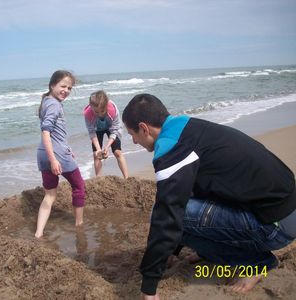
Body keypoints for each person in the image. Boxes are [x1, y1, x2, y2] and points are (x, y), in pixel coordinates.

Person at [122, 93, 296, 299]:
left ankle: (258, 263)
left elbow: (166, 217)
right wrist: (172, 250)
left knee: (161, 215)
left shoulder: (171, 147)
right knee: (179, 220)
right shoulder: (187, 126)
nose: (133, 141)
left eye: (132, 134)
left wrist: (149, 285)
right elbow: (193, 190)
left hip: (275, 225)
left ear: (144, 128)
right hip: (285, 208)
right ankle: (208, 252)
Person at [35, 70, 86, 238]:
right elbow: (46, 131)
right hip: (56, 156)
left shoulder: (46, 101)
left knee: (49, 194)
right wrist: (54, 159)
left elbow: (55, 133)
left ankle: (38, 233)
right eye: (63, 86)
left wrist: (66, 148)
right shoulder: (54, 104)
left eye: (69, 88)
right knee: (79, 186)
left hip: (43, 153)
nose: (66, 90)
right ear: (52, 85)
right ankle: (79, 224)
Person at [83, 90, 129, 179]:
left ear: (106, 105)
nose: (100, 114)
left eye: (102, 111)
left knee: (117, 152)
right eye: (96, 112)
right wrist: (99, 150)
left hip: (111, 128)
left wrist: (107, 147)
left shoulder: (112, 110)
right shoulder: (88, 114)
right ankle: (99, 179)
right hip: (97, 129)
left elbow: (115, 130)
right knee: (96, 155)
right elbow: (92, 132)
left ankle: (127, 178)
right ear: (91, 107)